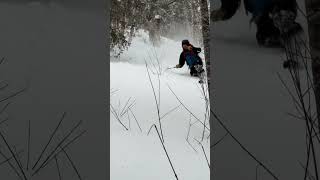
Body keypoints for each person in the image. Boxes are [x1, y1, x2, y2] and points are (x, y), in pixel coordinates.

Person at [211, 0, 302, 47]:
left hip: (278, 6)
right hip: (263, 12)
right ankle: (277, 32)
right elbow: (230, 4)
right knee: (266, 35)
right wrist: (224, 12)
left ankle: (284, 21)